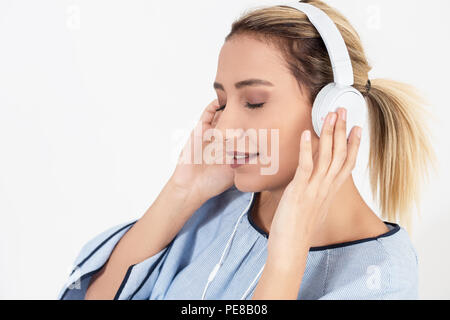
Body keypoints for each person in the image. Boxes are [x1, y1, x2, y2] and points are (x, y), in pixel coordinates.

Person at [58, 0, 436, 300]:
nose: (223, 127)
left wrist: (286, 257)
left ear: (333, 112)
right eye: (222, 103)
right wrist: (181, 193)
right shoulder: (214, 209)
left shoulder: (383, 279)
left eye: (254, 102)